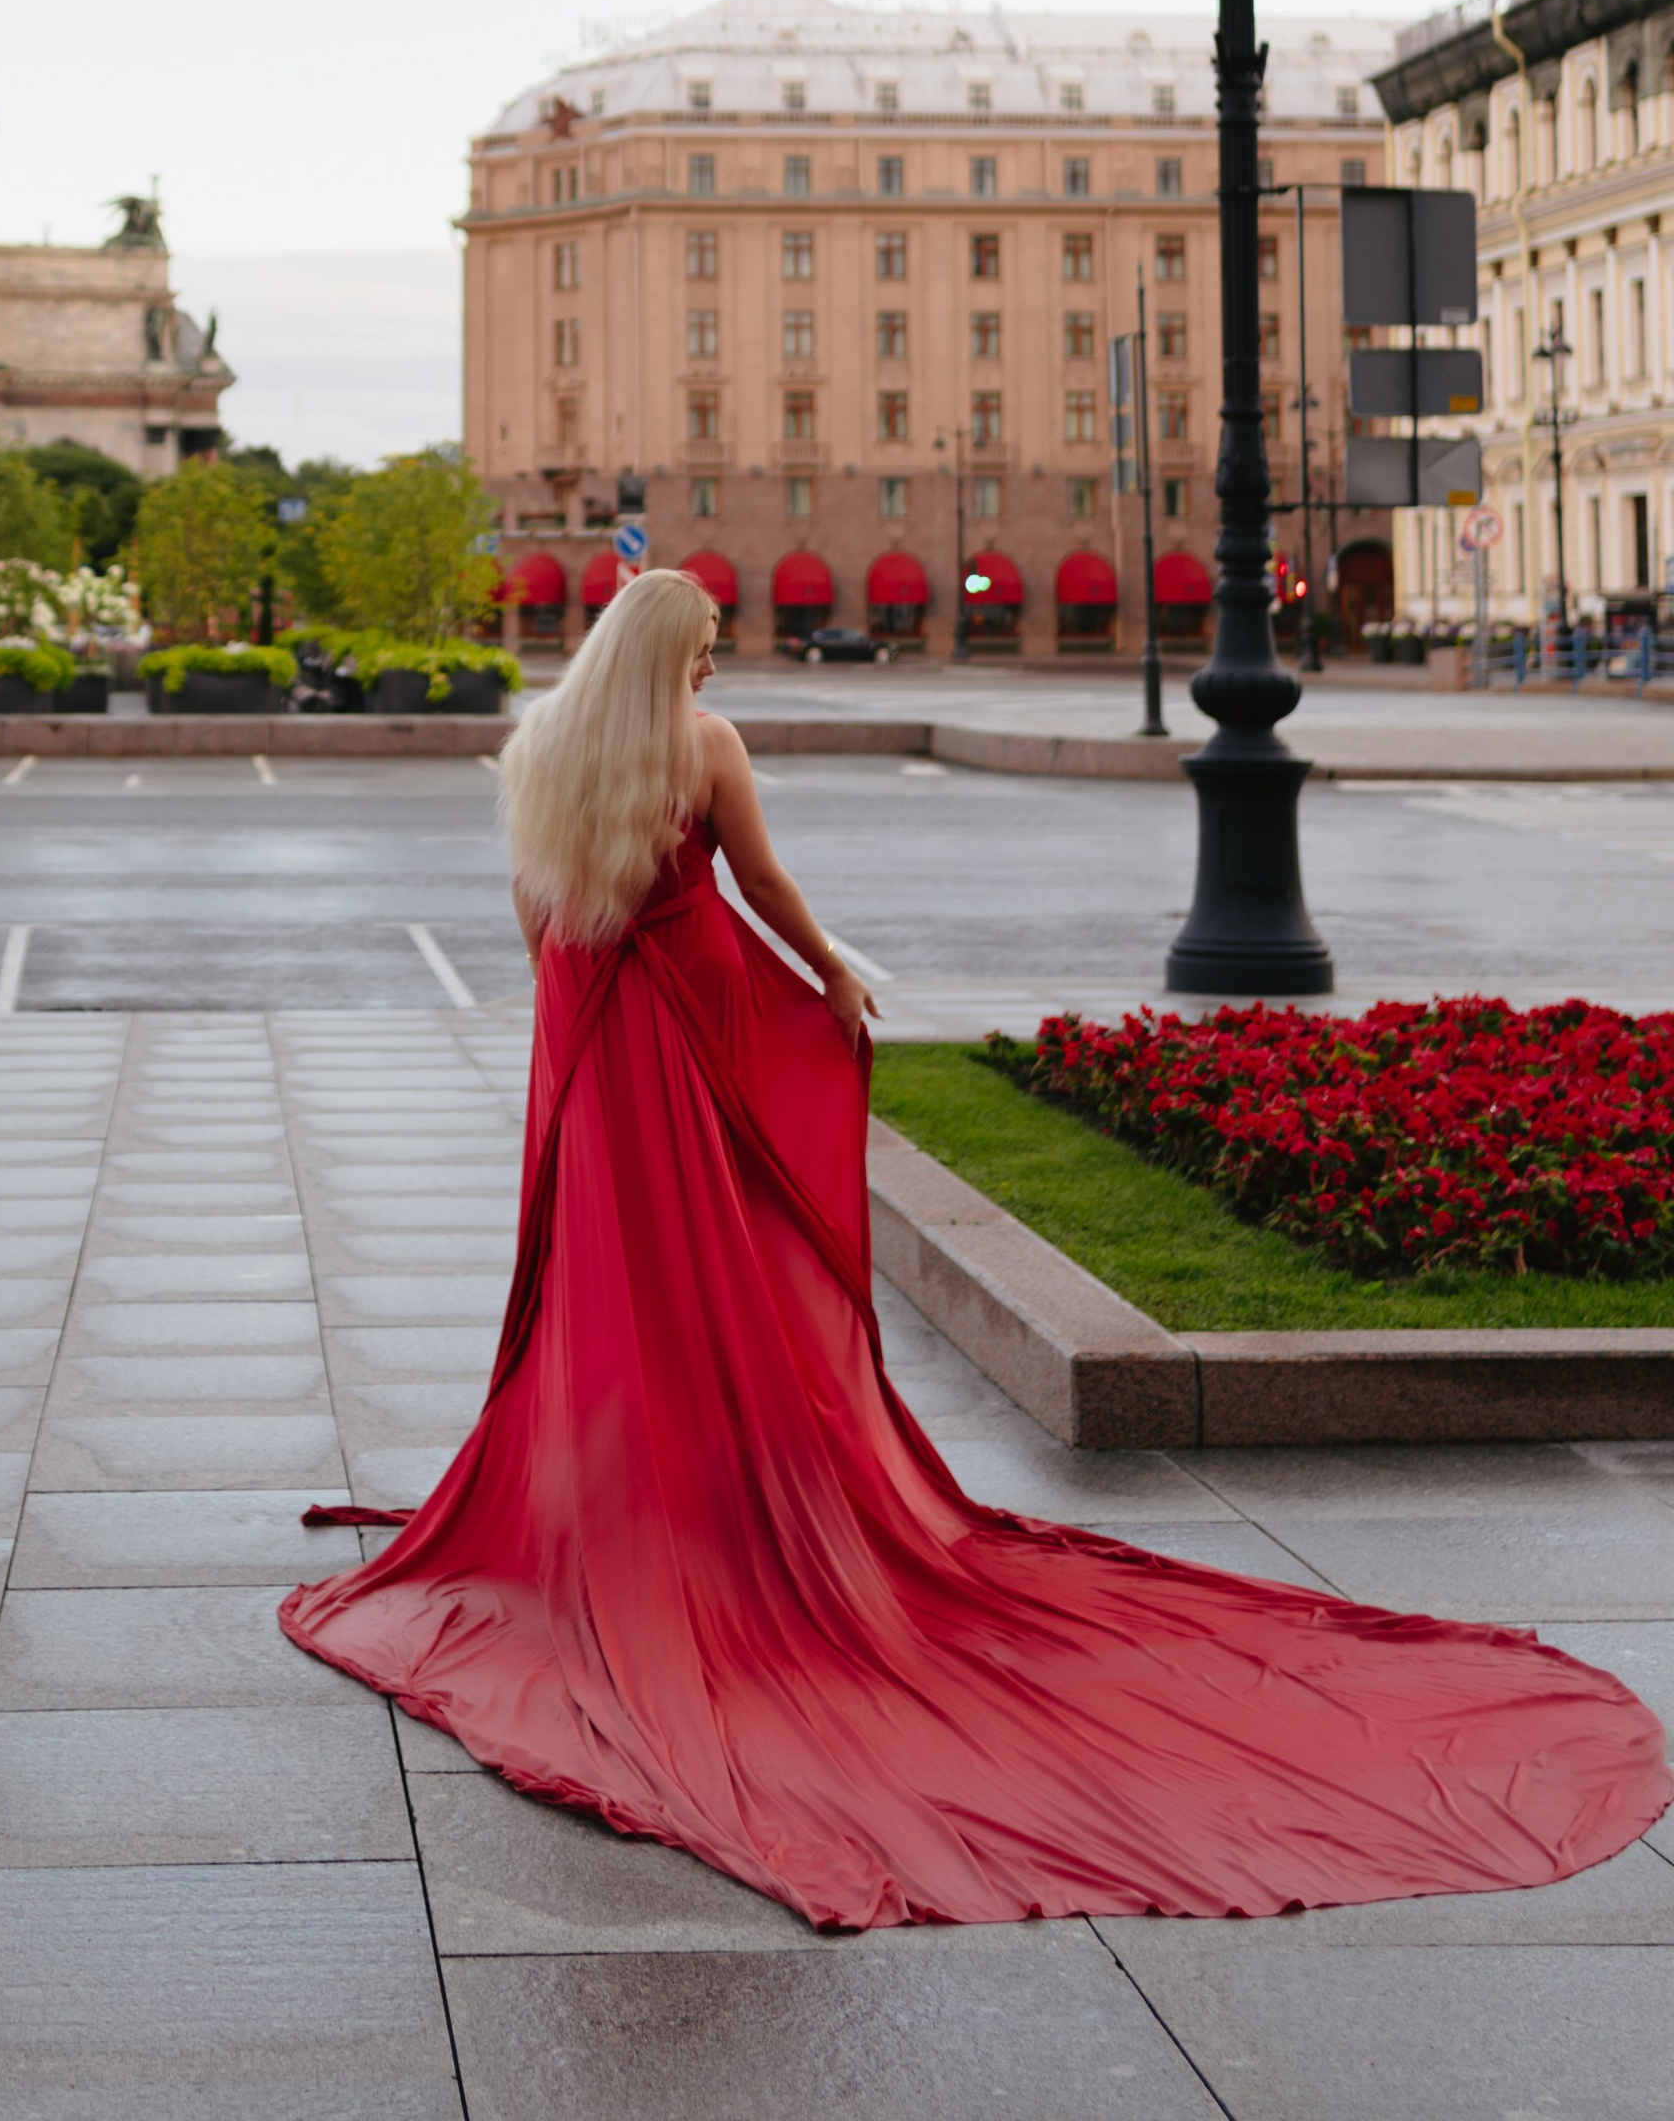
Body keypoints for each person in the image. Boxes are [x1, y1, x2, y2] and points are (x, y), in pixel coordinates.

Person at [280, 567, 1669, 1928]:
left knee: (627, 1255)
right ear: (670, 654)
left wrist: (576, 1032)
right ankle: (731, 1478)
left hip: (594, 1039)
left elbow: (539, 914)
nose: (715, 663)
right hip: (689, 1029)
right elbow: (758, 880)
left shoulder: (551, 745)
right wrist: (829, 970)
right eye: (705, 642)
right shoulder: (700, 743)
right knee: (731, 1243)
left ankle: (636, 1480)